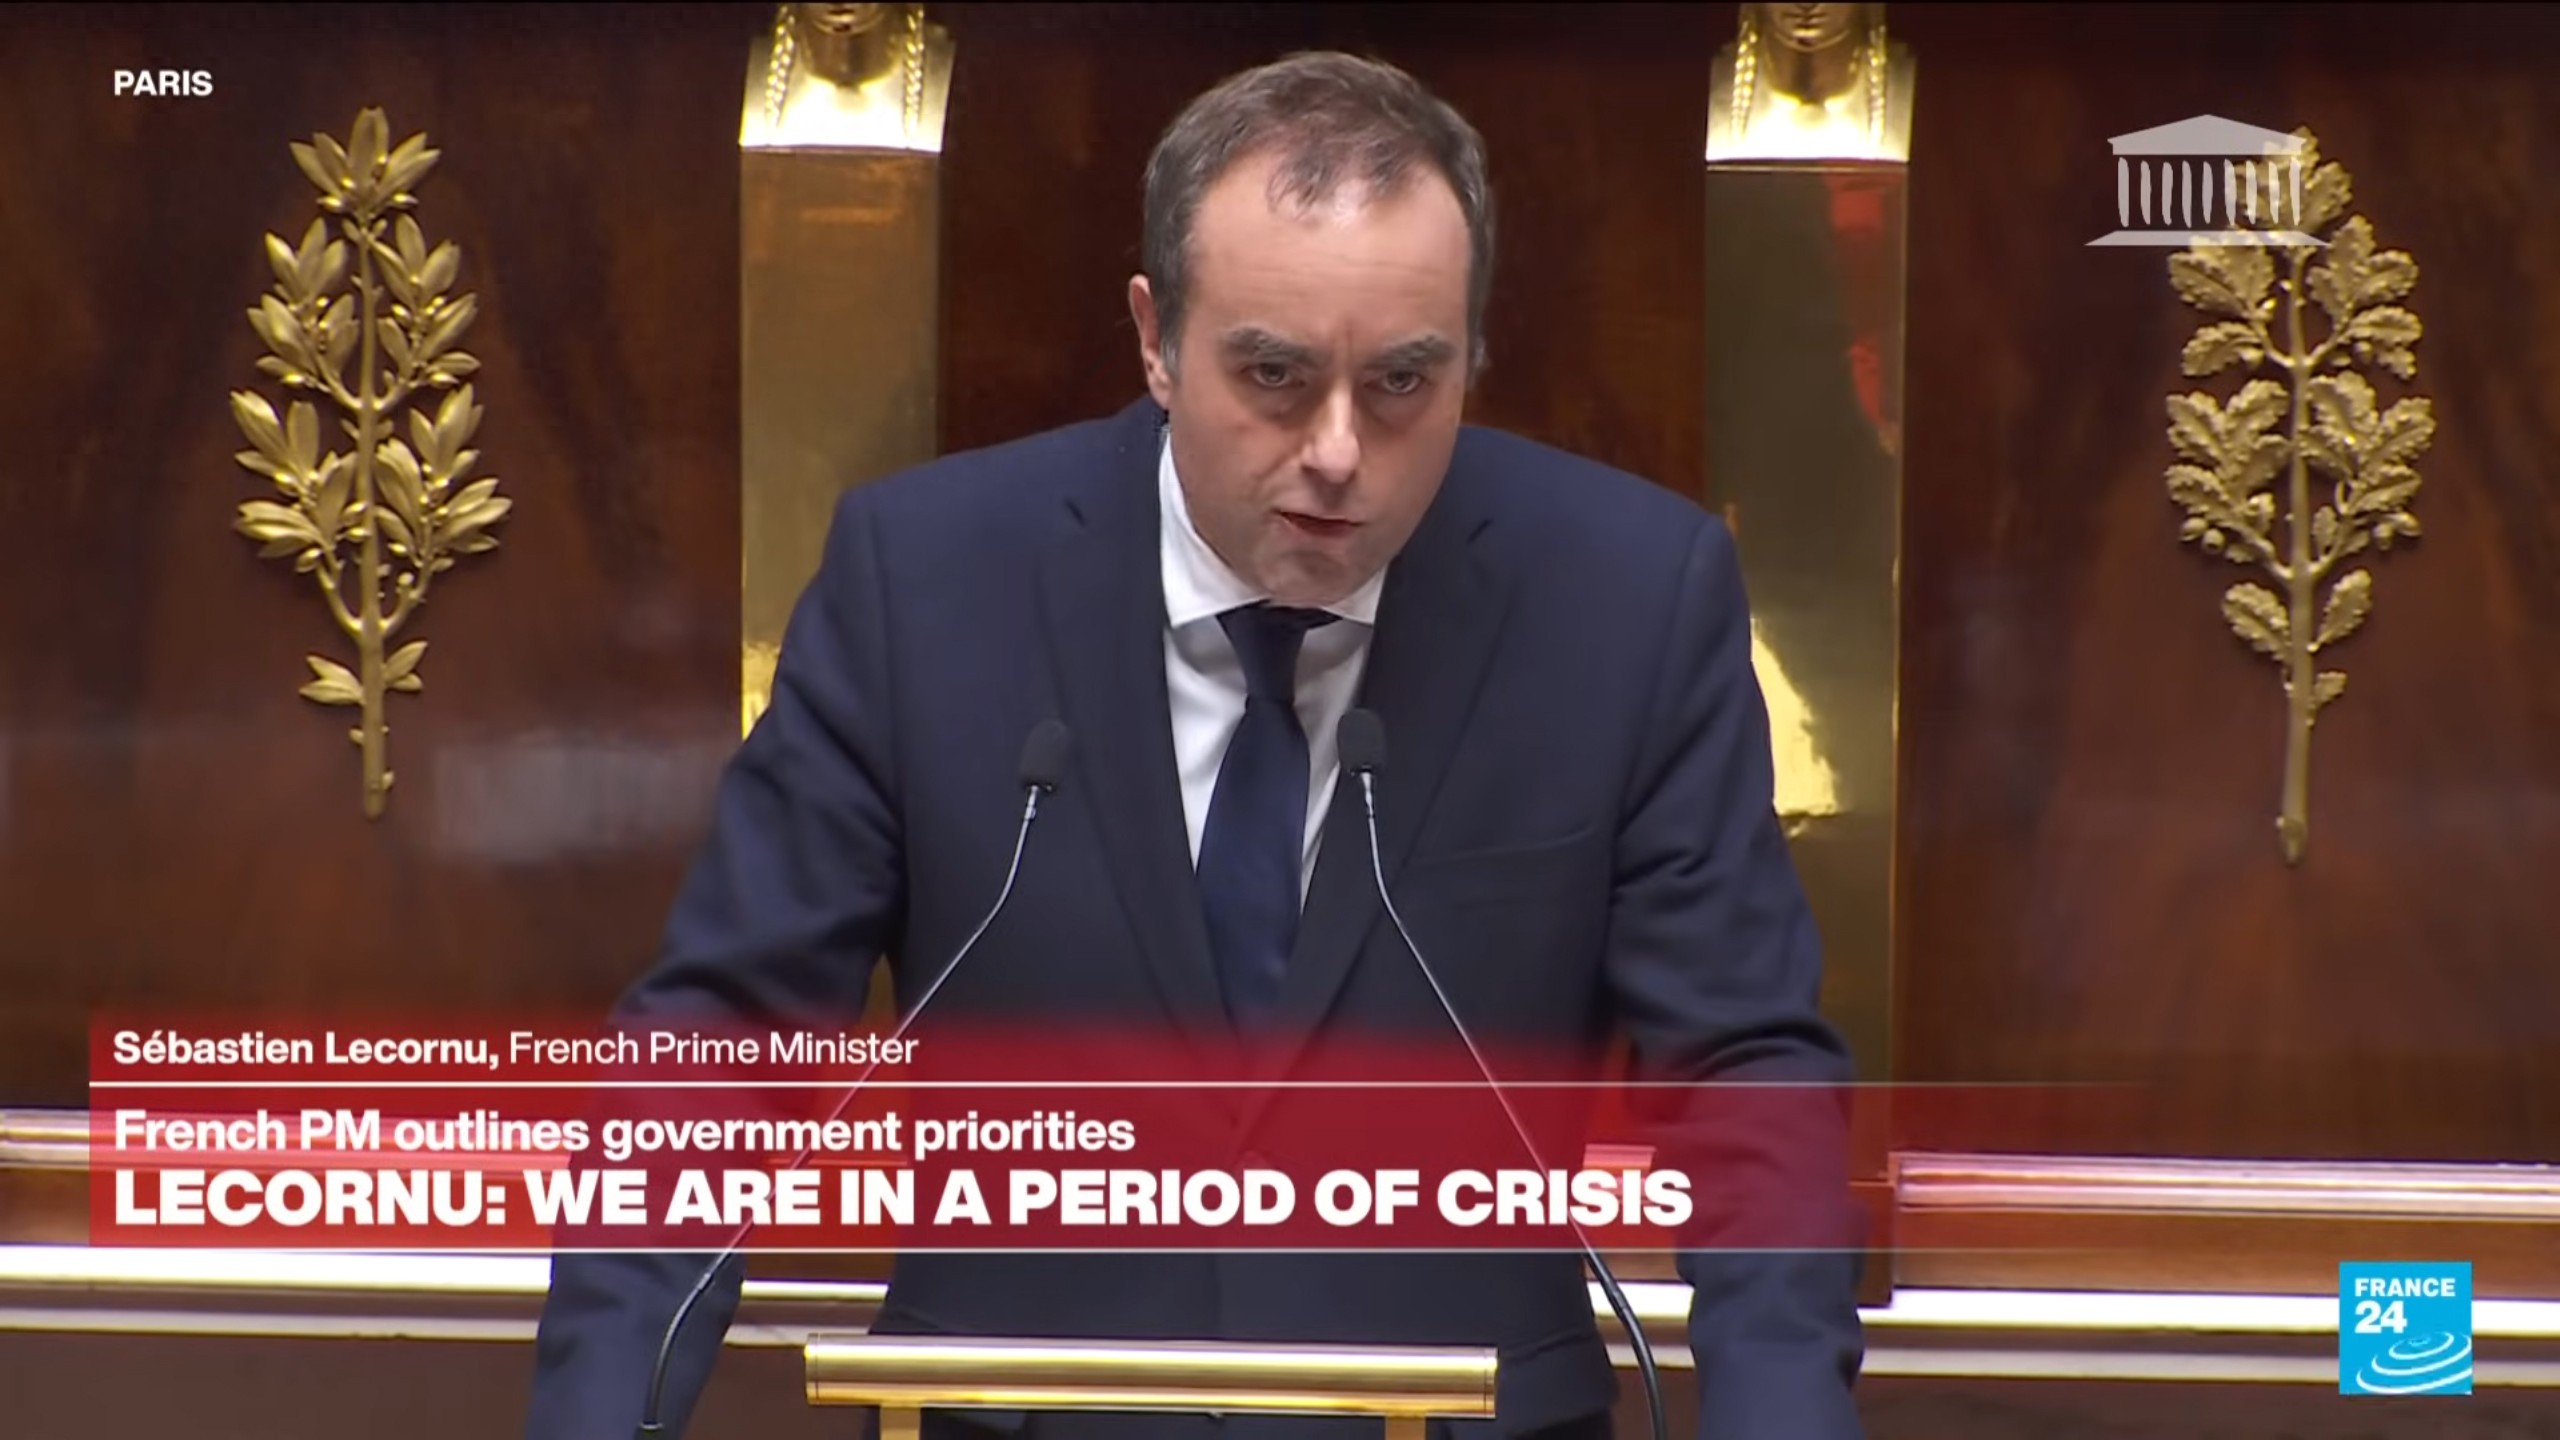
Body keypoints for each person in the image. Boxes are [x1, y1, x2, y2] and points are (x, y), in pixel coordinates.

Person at [528, 50, 1864, 1440]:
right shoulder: (923, 579)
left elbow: (1745, 1076)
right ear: (1156, 339)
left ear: (1471, 352)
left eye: (1403, 381)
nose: (1338, 450)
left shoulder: (1626, 600)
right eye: (1275, 375)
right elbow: (722, 1051)